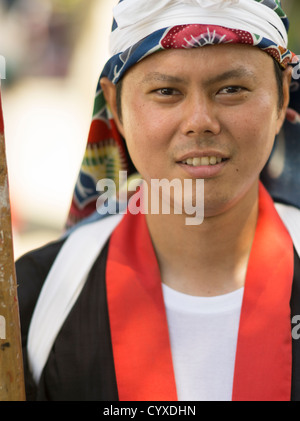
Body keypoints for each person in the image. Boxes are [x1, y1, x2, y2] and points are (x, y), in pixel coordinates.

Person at [16, 0, 300, 401]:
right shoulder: (34, 298)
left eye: (231, 89)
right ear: (114, 105)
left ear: (282, 96)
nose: (200, 120)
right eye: (166, 91)